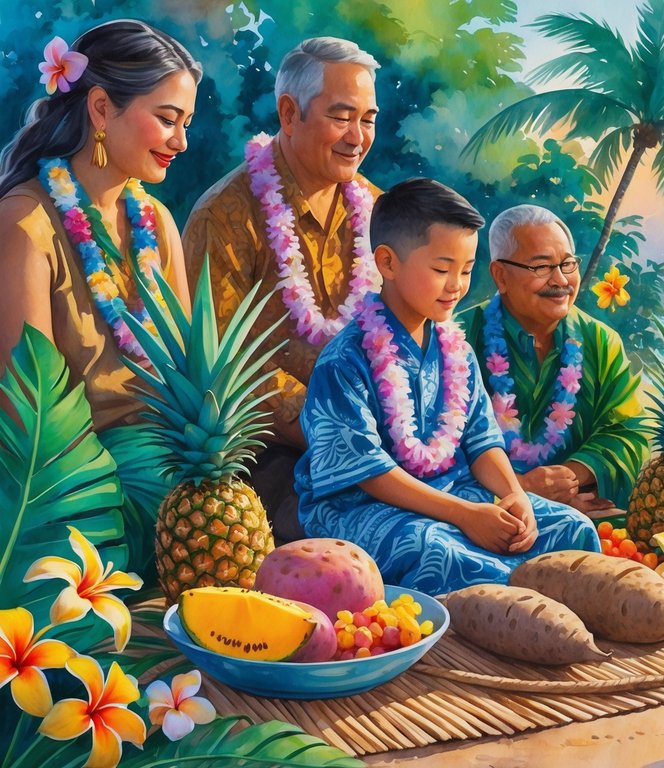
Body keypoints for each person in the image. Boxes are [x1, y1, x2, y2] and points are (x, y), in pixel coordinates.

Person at [294, 179, 598, 595]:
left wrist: (515, 496)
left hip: (458, 491)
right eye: (441, 269)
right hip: (364, 507)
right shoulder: (344, 360)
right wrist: (465, 515)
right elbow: (369, 473)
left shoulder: (456, 350)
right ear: (387, 262)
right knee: (436, 550)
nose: (456, 285)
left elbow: (481, 440)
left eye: (467, 271)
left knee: (570, 527)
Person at [182, 37, 381, 542]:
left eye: (369, 118)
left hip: (380, 439)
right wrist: (338, 434)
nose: (358, 137)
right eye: (342, 117)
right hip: (267, 458)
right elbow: (225, 370)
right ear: (289, 114)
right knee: (355, 539)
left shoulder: (379, 212)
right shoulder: (224, 214)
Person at [0, 20, 198, 427]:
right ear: (102, 108)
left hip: (171, 463)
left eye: (186, 124)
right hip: (71, 476)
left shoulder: (157, 222)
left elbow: (189, 375)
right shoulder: (25, 224)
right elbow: (28, 415)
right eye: (167, 119)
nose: (181, 142)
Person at [461, 205, 649, 517]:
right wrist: (520, 488)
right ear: (501, 275)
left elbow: (629, 432)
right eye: (542, 267)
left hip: (585, 513)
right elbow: (436, 451)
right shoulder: (457, 338)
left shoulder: (601, 341)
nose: (561, 280)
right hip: (483, 517)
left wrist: (567, 481)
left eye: (568, 264)